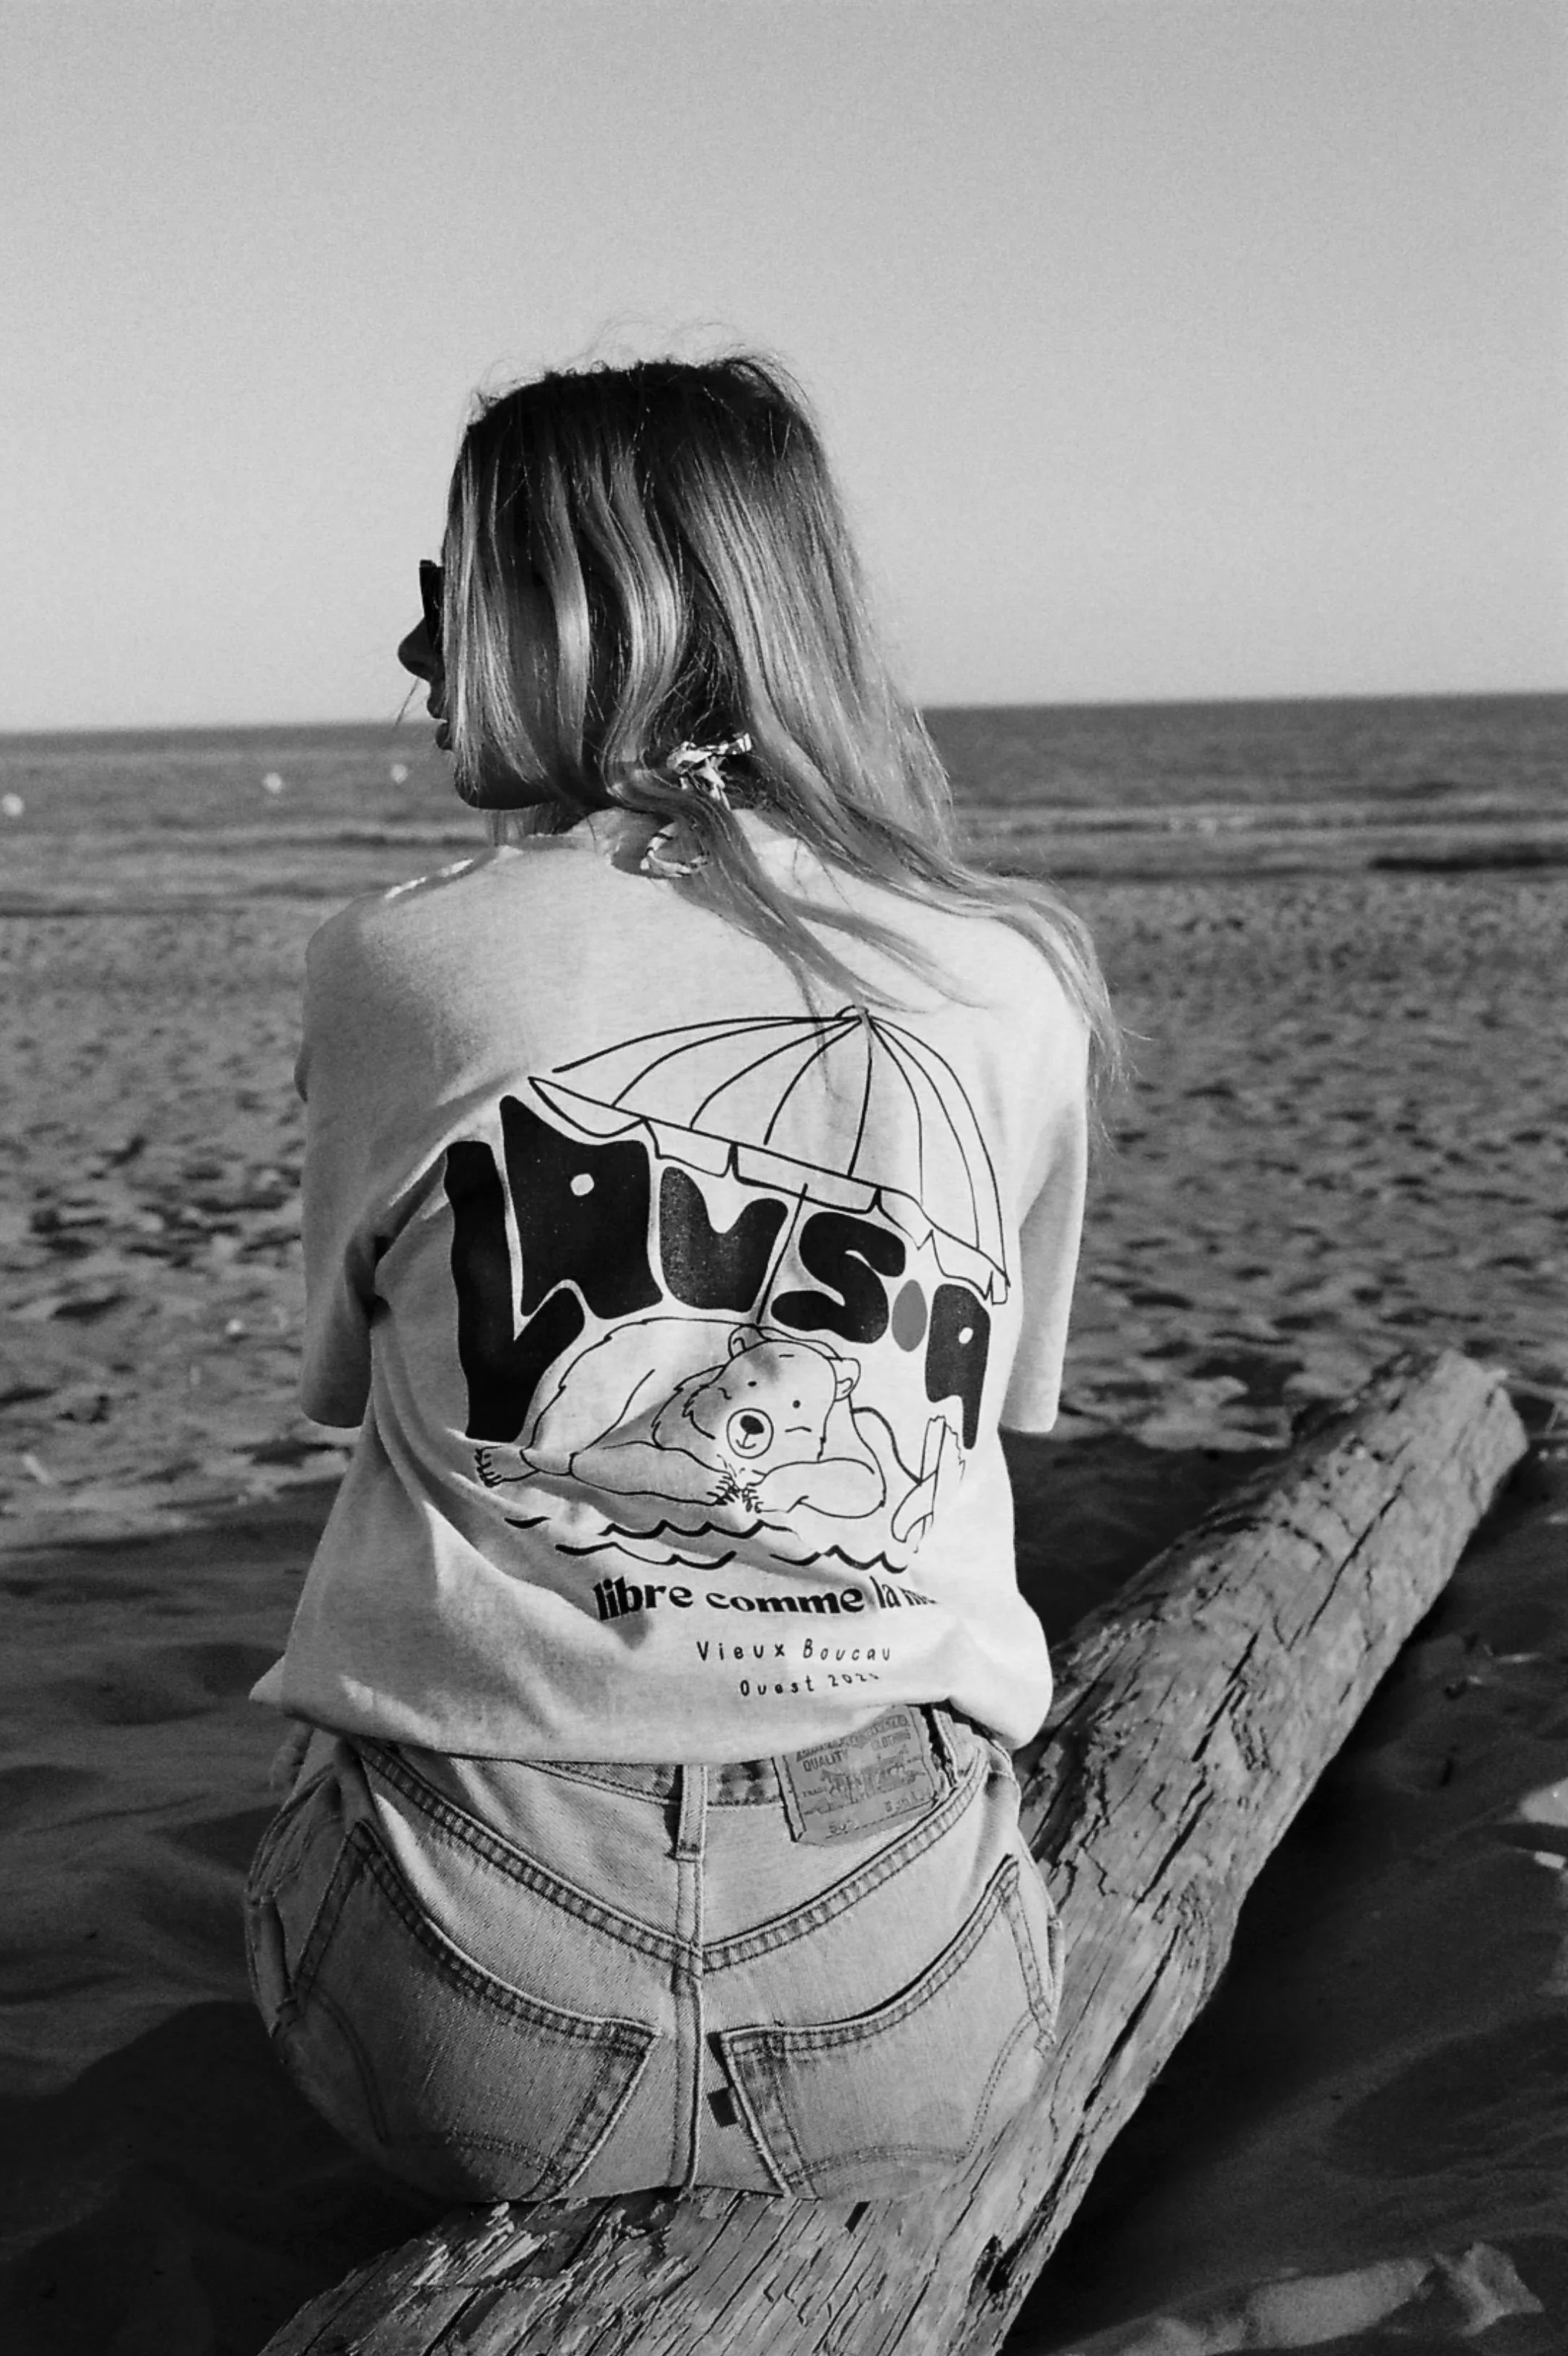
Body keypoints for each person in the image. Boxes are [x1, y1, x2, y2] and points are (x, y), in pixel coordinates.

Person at [243, 351, 1119, 2221]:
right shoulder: (1013, 980)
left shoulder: (400, 969)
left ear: (586, 626)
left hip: (472, 2006)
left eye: (452, 595)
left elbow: (345, 1389)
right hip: (903, 2008)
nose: (419, 656)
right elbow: (981, 1423)